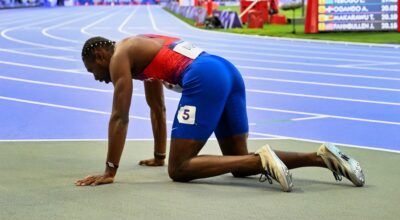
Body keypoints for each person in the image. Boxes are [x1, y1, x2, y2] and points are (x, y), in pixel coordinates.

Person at [74, 34, 365, 192]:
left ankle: (264, 158)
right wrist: (159, 156)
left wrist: (110, 170)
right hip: (226, 71)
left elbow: (120, 117)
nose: (97, 77)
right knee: (239, 162)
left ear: (100, 56)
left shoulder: (120, 56)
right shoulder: (139, 51)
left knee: (180, 169)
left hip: (204, 76)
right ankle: (321, 157)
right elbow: (157, 108)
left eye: (92, 70)